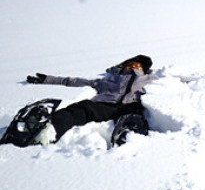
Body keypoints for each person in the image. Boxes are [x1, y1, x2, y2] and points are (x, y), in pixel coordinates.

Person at [20, 55, 154, 146]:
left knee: (132, 117)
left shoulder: (149, 79)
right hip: (105, 105)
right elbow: (75, 81)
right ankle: (49, 130)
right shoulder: (108, 79)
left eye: (137, 65)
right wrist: (47, 79)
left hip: (131, 105)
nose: (133, 67)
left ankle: (129, 141)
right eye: (130, 64)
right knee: (80, 108)